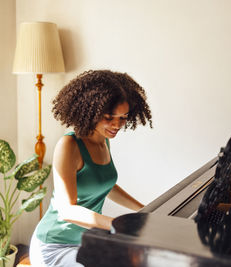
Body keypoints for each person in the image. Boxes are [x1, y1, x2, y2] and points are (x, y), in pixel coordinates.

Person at [29, 70, 153, 267]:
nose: (117, 125)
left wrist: (145, 211)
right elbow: (67, 210)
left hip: (85, 241)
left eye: (123, 117)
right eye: (109, 117)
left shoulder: (104, 140)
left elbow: (106, 186)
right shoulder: (69, 146)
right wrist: (117, 225)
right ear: (91, 111)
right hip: (54, 246)